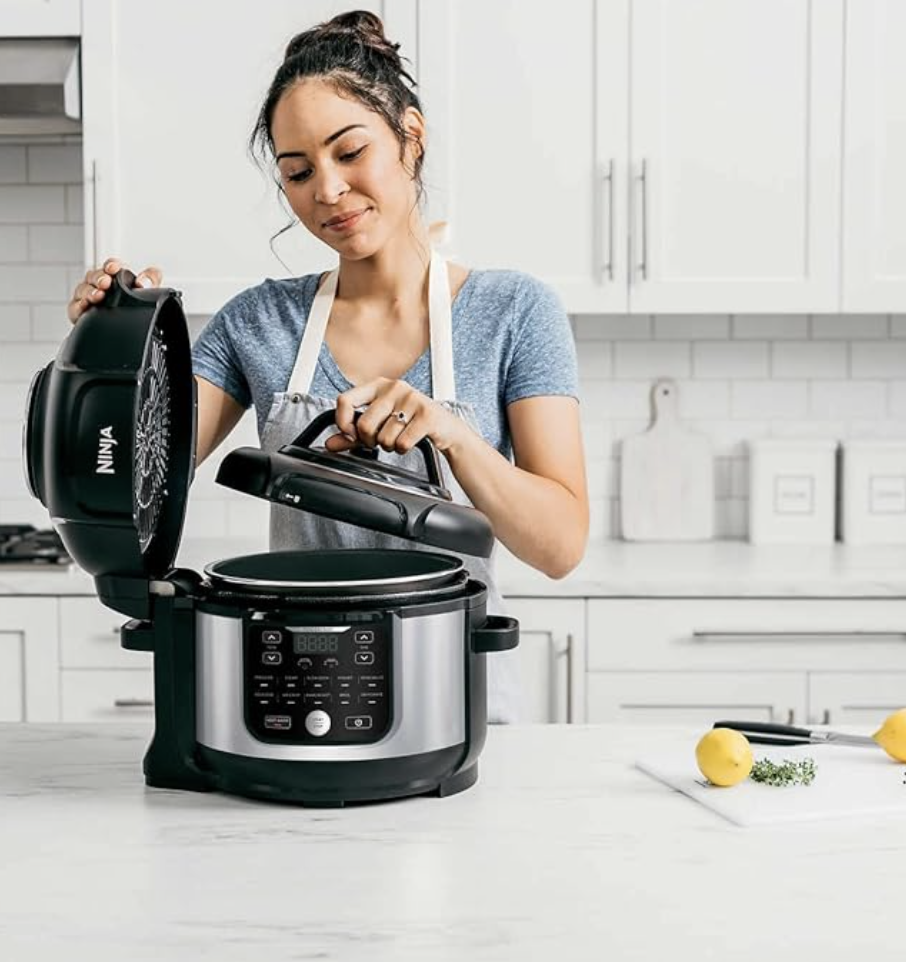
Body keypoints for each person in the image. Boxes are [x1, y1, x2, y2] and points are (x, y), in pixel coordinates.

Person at [66, 10, 589, 723]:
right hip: (297, 689)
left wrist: (453, 437)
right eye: (299, 172)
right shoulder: (258, 322)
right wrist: (111, 345)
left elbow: (560, 545)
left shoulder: (514, 312)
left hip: (456, 690)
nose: (329, 190)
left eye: (350, 152)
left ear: (410, 136)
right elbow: (132, 479)